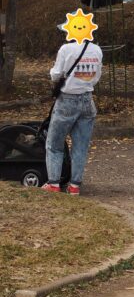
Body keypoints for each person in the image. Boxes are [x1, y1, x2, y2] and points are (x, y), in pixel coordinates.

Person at [42, 31, 103, 195]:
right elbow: (96, 77)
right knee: (81, 146)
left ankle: (54, 184)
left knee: (54, 144)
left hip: (67, 101)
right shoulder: (97, 50)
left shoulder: (65, 49)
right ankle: (74, 186)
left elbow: (56, 75)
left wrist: (55, 74)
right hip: (87, 101)